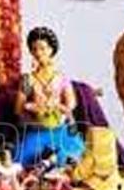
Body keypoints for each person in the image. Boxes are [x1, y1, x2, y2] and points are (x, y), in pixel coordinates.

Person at [14, 27, 85, 168]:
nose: (38, 53)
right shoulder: (28, 79)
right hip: (37, 132)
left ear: (52, 50)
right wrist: (33, 119)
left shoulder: (61, 78)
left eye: (43, 48)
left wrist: (57, 110)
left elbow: (71, 104)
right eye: (34, 49)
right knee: (20, 158)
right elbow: (18, 109)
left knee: (72, 155)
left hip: (60, 131)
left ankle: (55, 162)